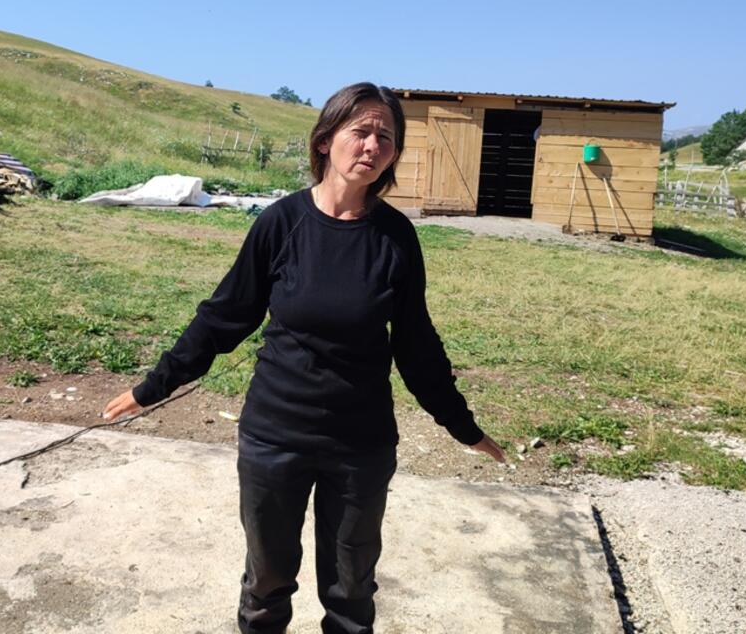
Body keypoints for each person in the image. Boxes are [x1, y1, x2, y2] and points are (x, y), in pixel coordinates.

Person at [102, 82, 505, 634]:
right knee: (267, 581)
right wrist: (153, 387)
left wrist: (462, 426)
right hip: (275, 437)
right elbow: (224, 316)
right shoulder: (281, 223)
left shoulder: (395, 238)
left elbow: (416, 344)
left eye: (386, 137)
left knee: (351, 589)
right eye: (360, 131)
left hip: (360, 444)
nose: (373, 146)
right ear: (324, 141)